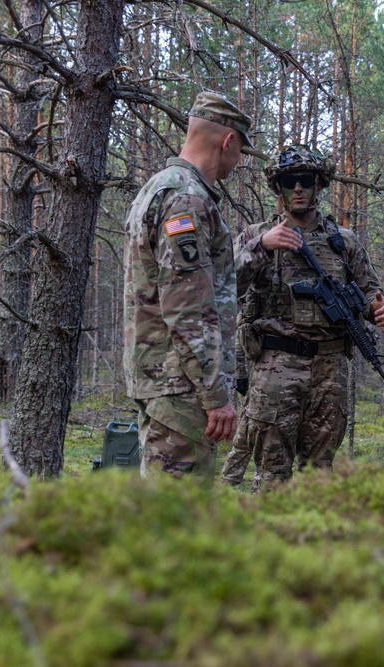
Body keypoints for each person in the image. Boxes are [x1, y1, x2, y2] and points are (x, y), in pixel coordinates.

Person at [219, 144, 384, 487]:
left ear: (318, 185)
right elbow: (223, 287)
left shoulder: (344, 242)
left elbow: (370, 295)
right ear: (279, 189)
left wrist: (382, 311)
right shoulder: (256, 236)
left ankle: (315, 538)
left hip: (330, 370)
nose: (297, 188)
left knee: (319, 474)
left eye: (305, 180)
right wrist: (263, 247)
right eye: (289, 182)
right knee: (272, 475)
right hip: (276, 366)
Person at [123, 90, 253, 483]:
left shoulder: (160, 187)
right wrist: (216, 398)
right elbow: (187, 309)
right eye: (242, 150)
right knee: (178, 518)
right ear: (227, 141)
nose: (241, 160)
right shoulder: (187, 200)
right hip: (181, 388)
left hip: (164, 378)